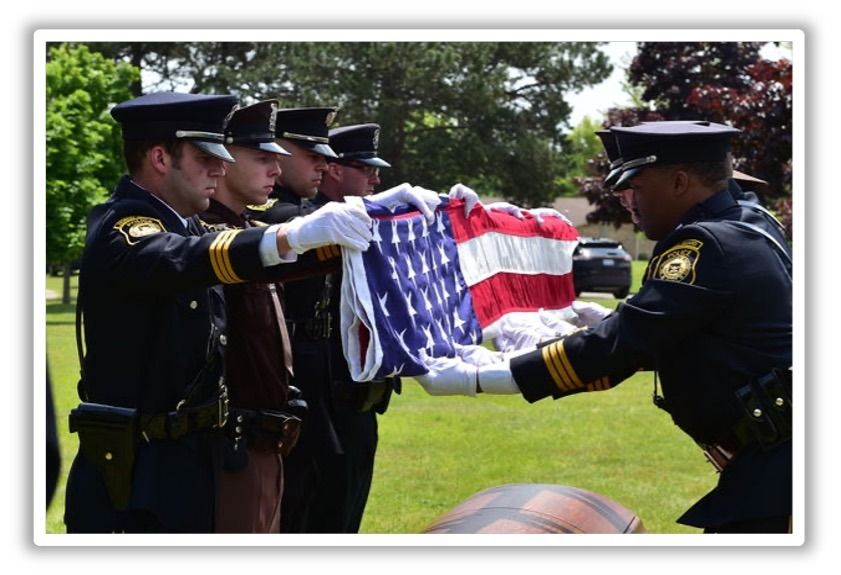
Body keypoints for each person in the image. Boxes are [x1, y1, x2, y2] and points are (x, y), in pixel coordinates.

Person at [417, 121, 792, 534]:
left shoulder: (704, 245)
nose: (625, 199)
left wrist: (481, 377)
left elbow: (621, 346)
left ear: (680, 182)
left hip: (777, 469)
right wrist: (617, 320)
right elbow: (682, 332)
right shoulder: (750, 220)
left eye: (635, 185)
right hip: (774, 459)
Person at [64, 92, 373, 533]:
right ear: (159, 157)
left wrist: (377, 222)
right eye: (206, 157)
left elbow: (243, 253)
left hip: (191, 460)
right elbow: (184, 257)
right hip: (136, 474)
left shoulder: (186, 224)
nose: (221, 167)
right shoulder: (126, 227)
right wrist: (289, 236)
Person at [279, 123, 399, 533]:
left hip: (347, 382)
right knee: (313, 505)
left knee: (344, 499)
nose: (375, 179)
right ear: (334, 171)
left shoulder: (328, 217)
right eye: (365, 169)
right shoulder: (293, 217)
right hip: (309, 380)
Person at [197, 99, 303, 532]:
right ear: (222, 161)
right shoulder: (203, 241)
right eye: (262, 158)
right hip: (230, 444)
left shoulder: (249, 234)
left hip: (267, 439)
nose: (276, 171)